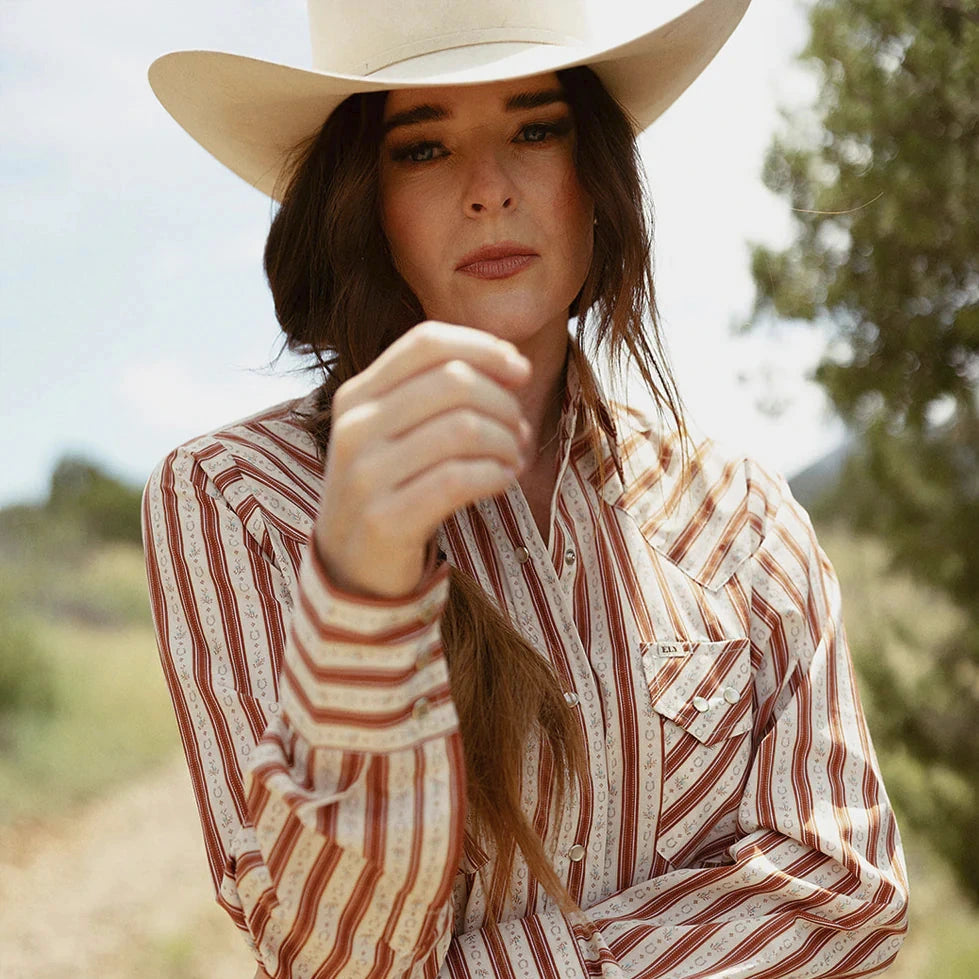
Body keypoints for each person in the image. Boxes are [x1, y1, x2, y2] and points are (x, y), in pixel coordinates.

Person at [141, 0, 910, 976]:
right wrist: (366, 591)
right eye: (421, 149)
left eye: (534, 129)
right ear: (360, 199)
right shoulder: (237, 498)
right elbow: (331, 951)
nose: (487, 190)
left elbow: (848, 896)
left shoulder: (745, 518)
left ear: (594, 175)